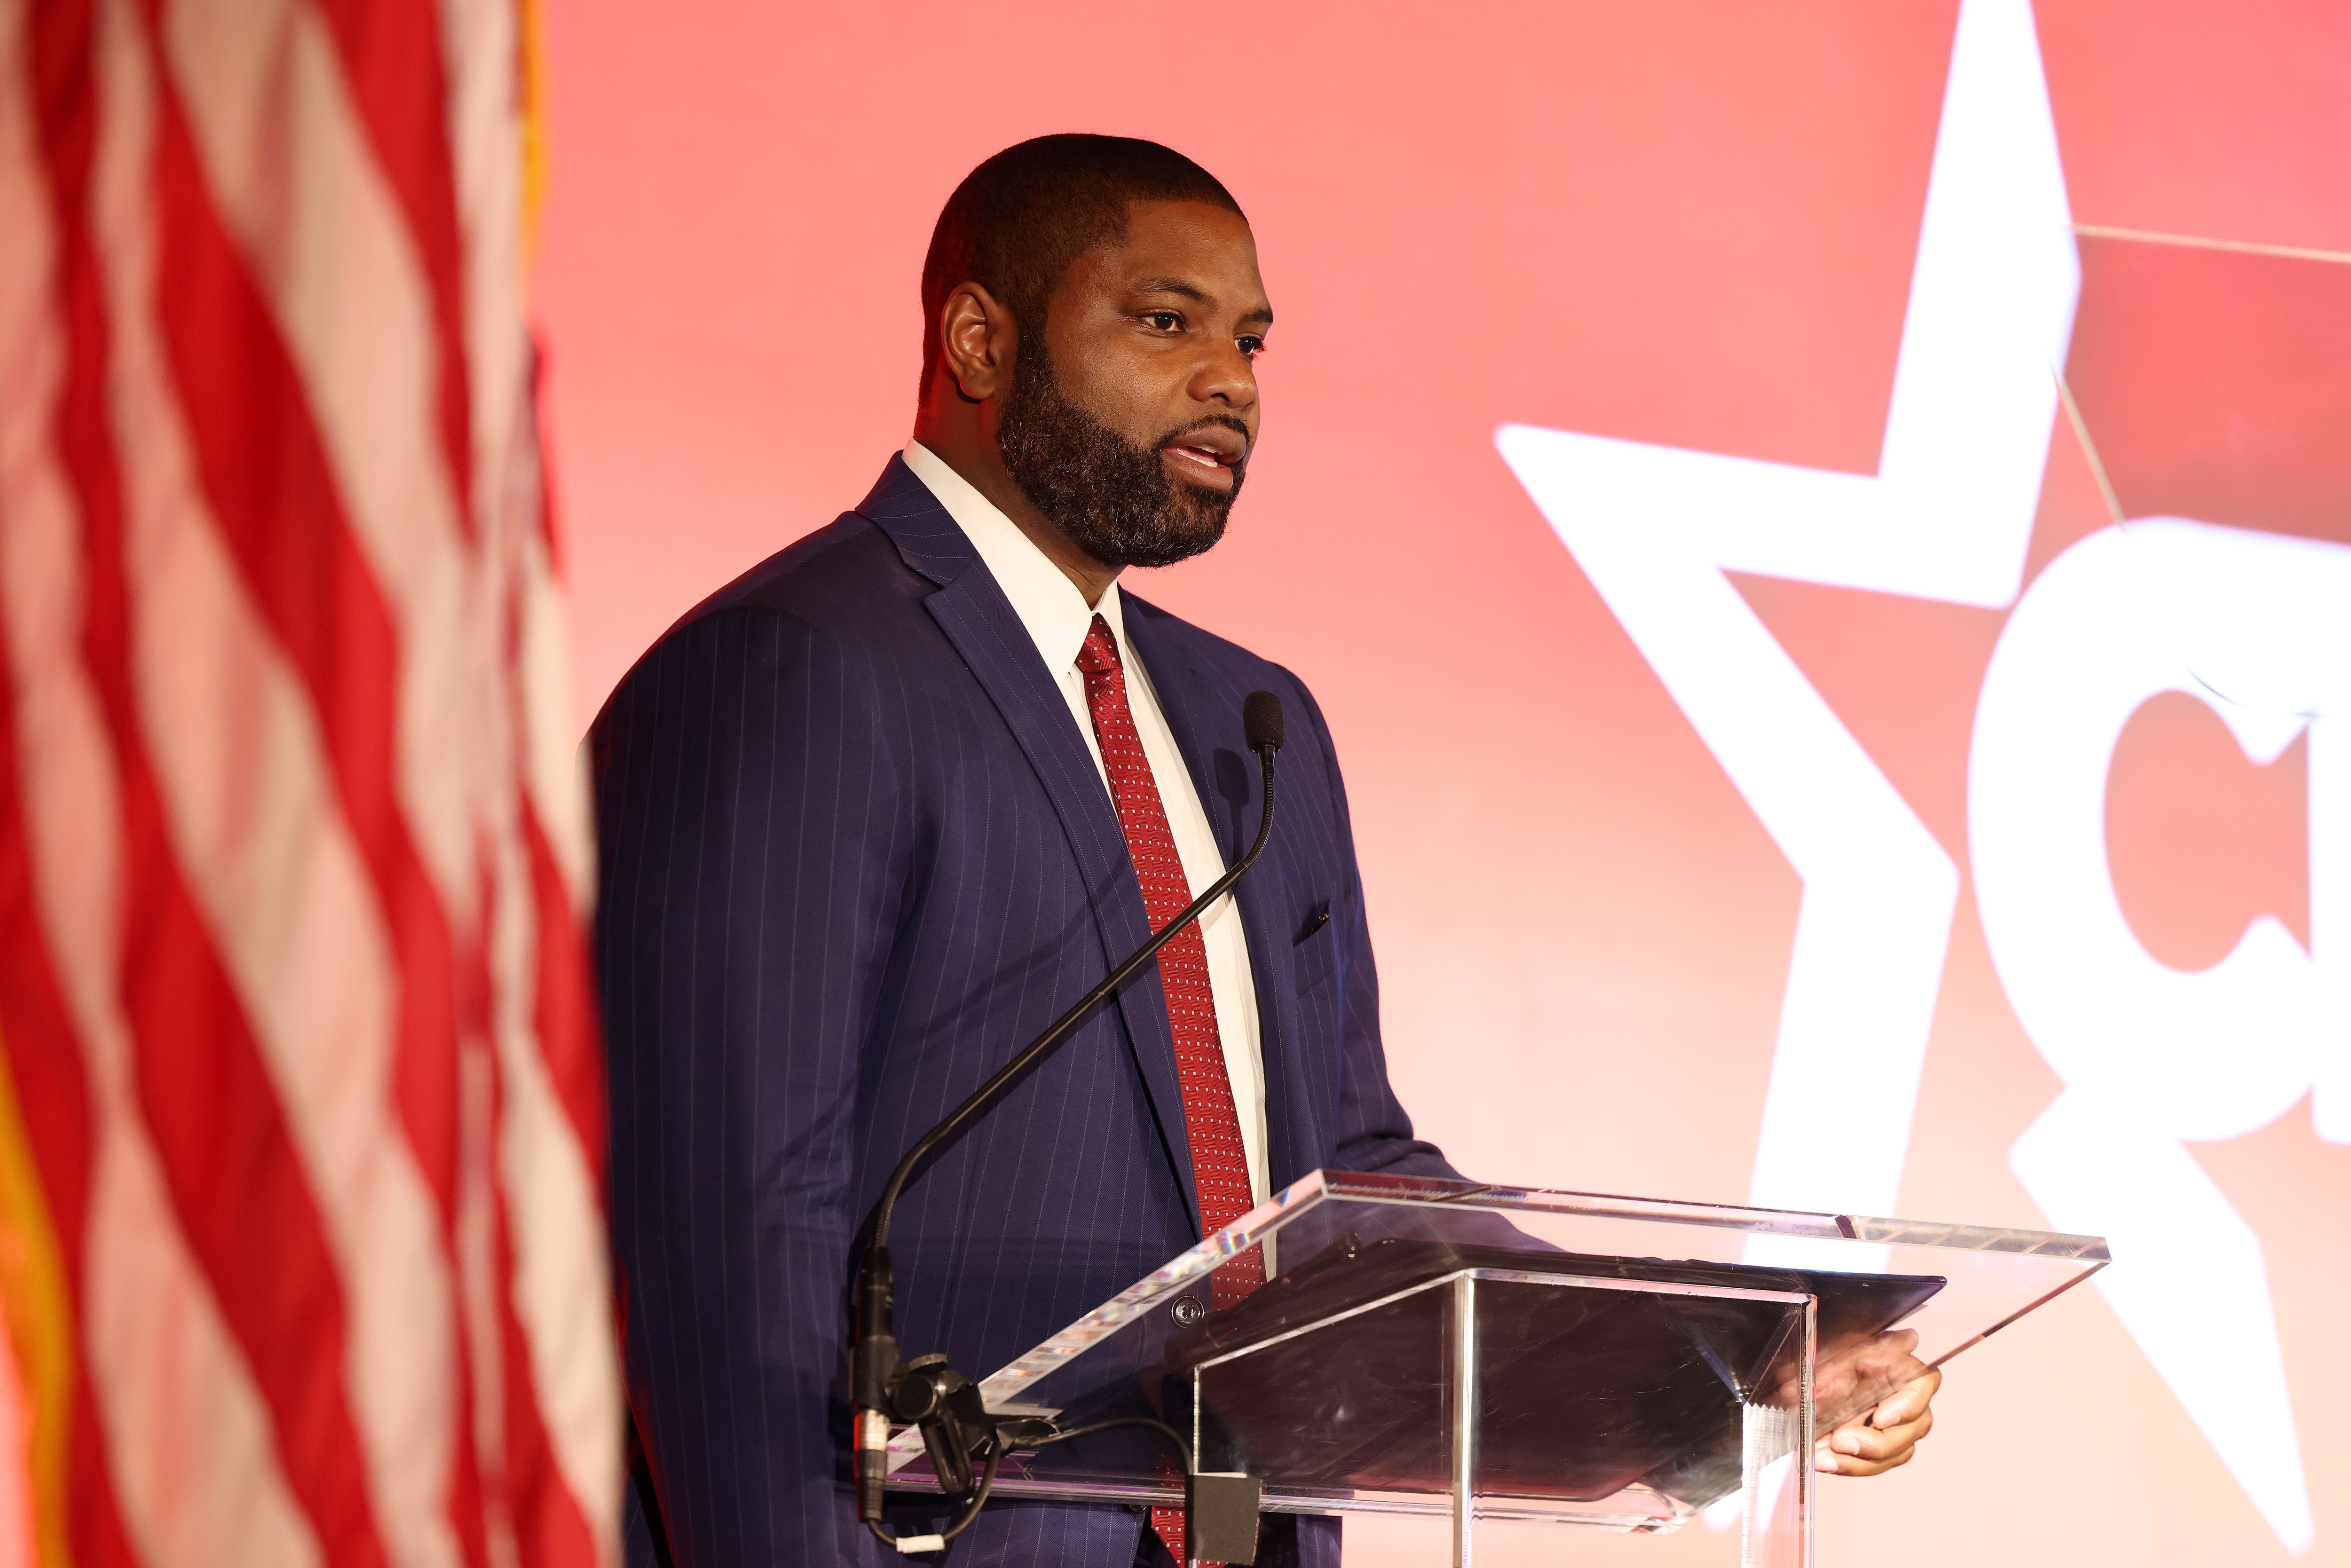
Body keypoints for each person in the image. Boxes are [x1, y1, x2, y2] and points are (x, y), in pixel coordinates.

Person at [592, 134, 1938, 1568]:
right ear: (979, 339)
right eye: (1165, 323)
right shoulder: (791, 670)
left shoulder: (1253, 728)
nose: (1233, 381)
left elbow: (1355, 1186)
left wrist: (1735, 1361)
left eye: (1250, 340)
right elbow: (730, 1238)